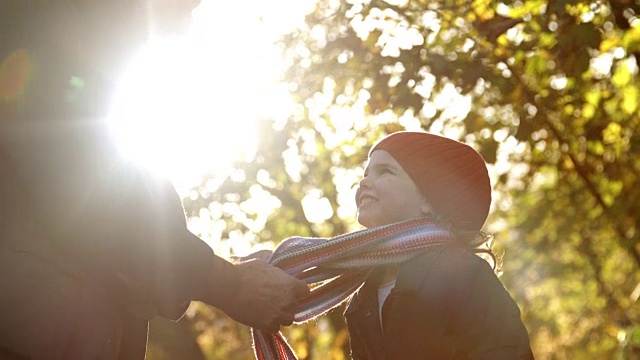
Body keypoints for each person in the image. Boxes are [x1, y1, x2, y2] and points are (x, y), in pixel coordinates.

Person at [0, 1, 309, 359]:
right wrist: (230, 284)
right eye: (183, 8)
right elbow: (101, 210)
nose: (186, 21)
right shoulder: (43, 43)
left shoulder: (87, 70)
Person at [343, 131, 534, 359]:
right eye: (366, 173)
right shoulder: (362, 296)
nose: (364, 181)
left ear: (428, 200)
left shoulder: (463, 273)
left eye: (384, 171)